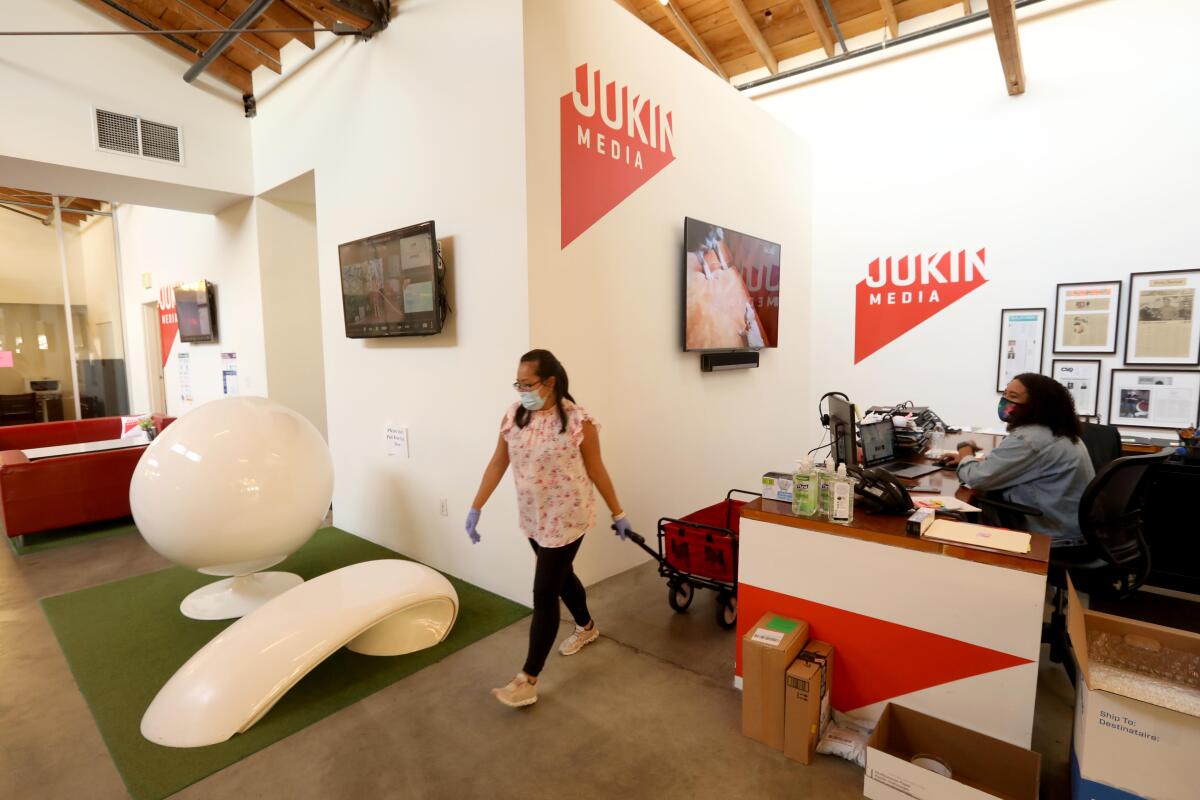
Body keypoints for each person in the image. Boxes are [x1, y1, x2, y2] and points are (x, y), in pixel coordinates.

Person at [466, 349, 630, 708]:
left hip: (569, 518)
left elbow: (596, 469)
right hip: (534, 518)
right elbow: (498, 463)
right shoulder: (514, 416)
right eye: (518, 383)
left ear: (550, 381)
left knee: (544, 593)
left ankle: (528, 678)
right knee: (561, 577)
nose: (521, 390)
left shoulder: (577, 421)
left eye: (528, 384)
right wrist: (476, 506)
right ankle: (587, 627)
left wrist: (618, 512)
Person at [941, 373, 1095, 546]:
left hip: (1051, 535)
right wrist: (970, 459)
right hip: (1073, 528)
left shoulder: (1029, 439)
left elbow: (976, 479)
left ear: (1037, 405)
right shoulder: (1059, 431)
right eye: (1005, 394)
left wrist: (964, 449)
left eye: (1013, 397)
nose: (1005, 401)